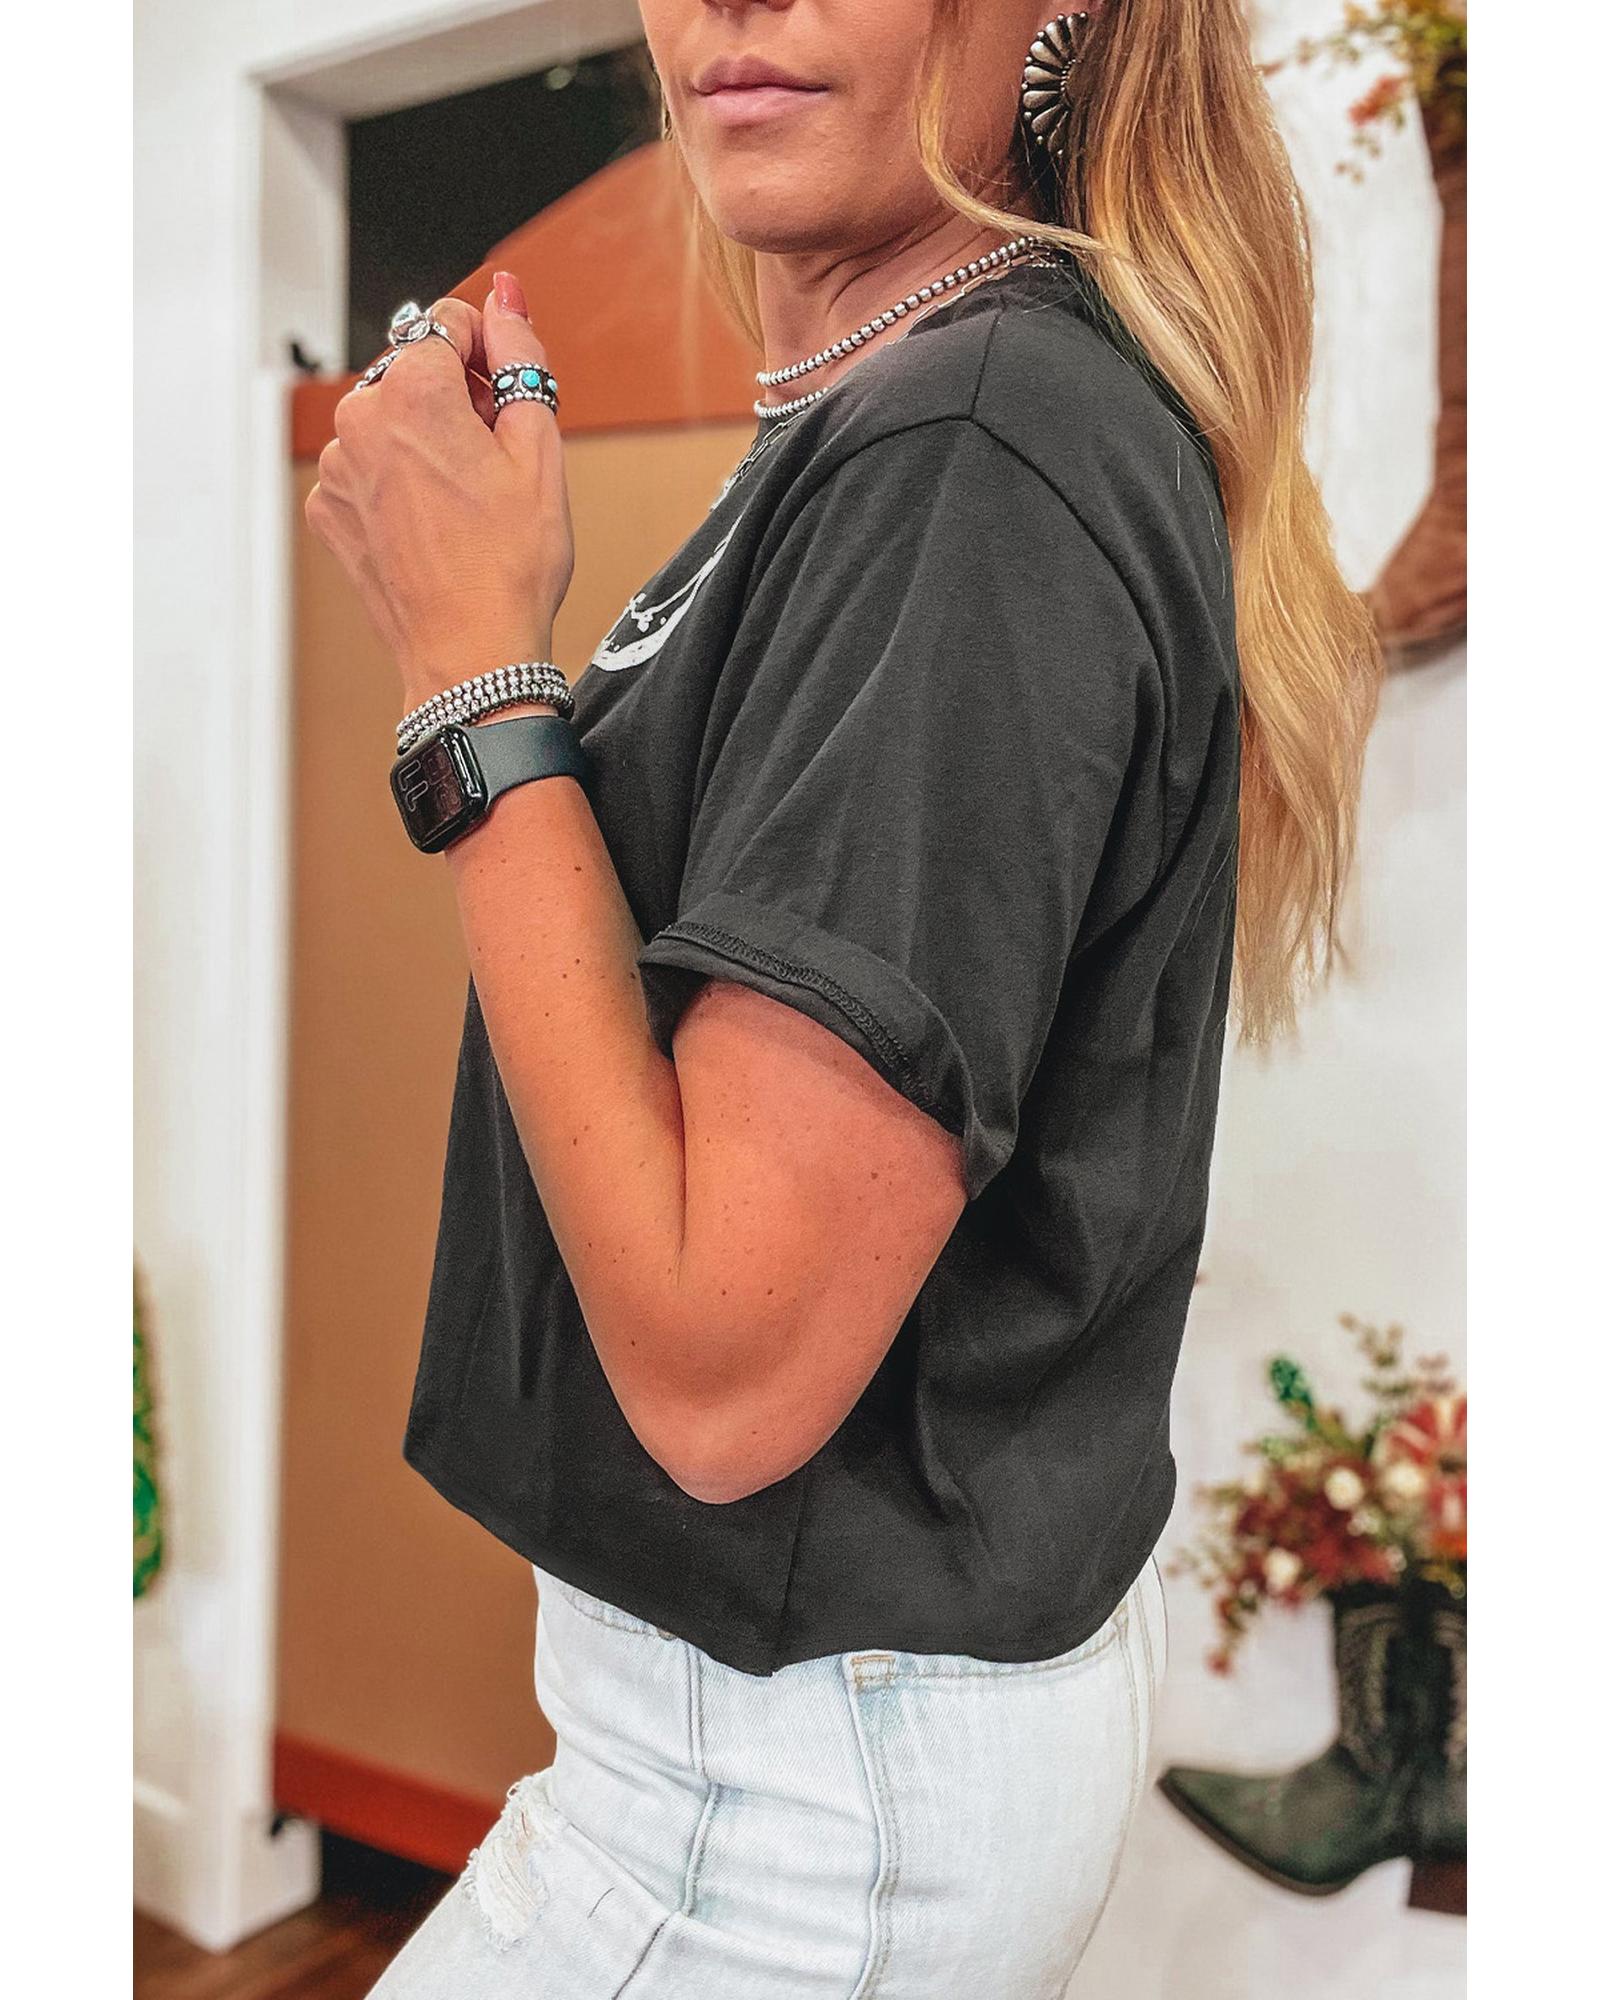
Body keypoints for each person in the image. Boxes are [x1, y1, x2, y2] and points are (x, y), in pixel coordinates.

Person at [307, 2, 1381, 1992]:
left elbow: (724, 1370)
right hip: (789, 1742)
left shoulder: (974, 444)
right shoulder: (915, 410)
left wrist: (467, 671)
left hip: (789, 1797)